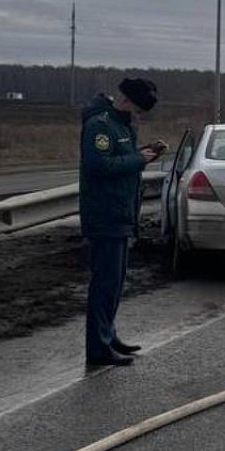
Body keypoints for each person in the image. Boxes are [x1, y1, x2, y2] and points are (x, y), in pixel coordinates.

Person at [79, 77, 165, 367]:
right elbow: (98, 165)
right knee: (104, 283)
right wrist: (139, 160)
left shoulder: (123, 126)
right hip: (104, 215)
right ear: (125, 101)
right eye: (137, 110)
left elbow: (122, 159)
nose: (138, 117)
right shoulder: (100, 126)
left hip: (121, 214)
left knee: (114, 283)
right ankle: (98, 348)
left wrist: (144, 154)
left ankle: (108, 335)